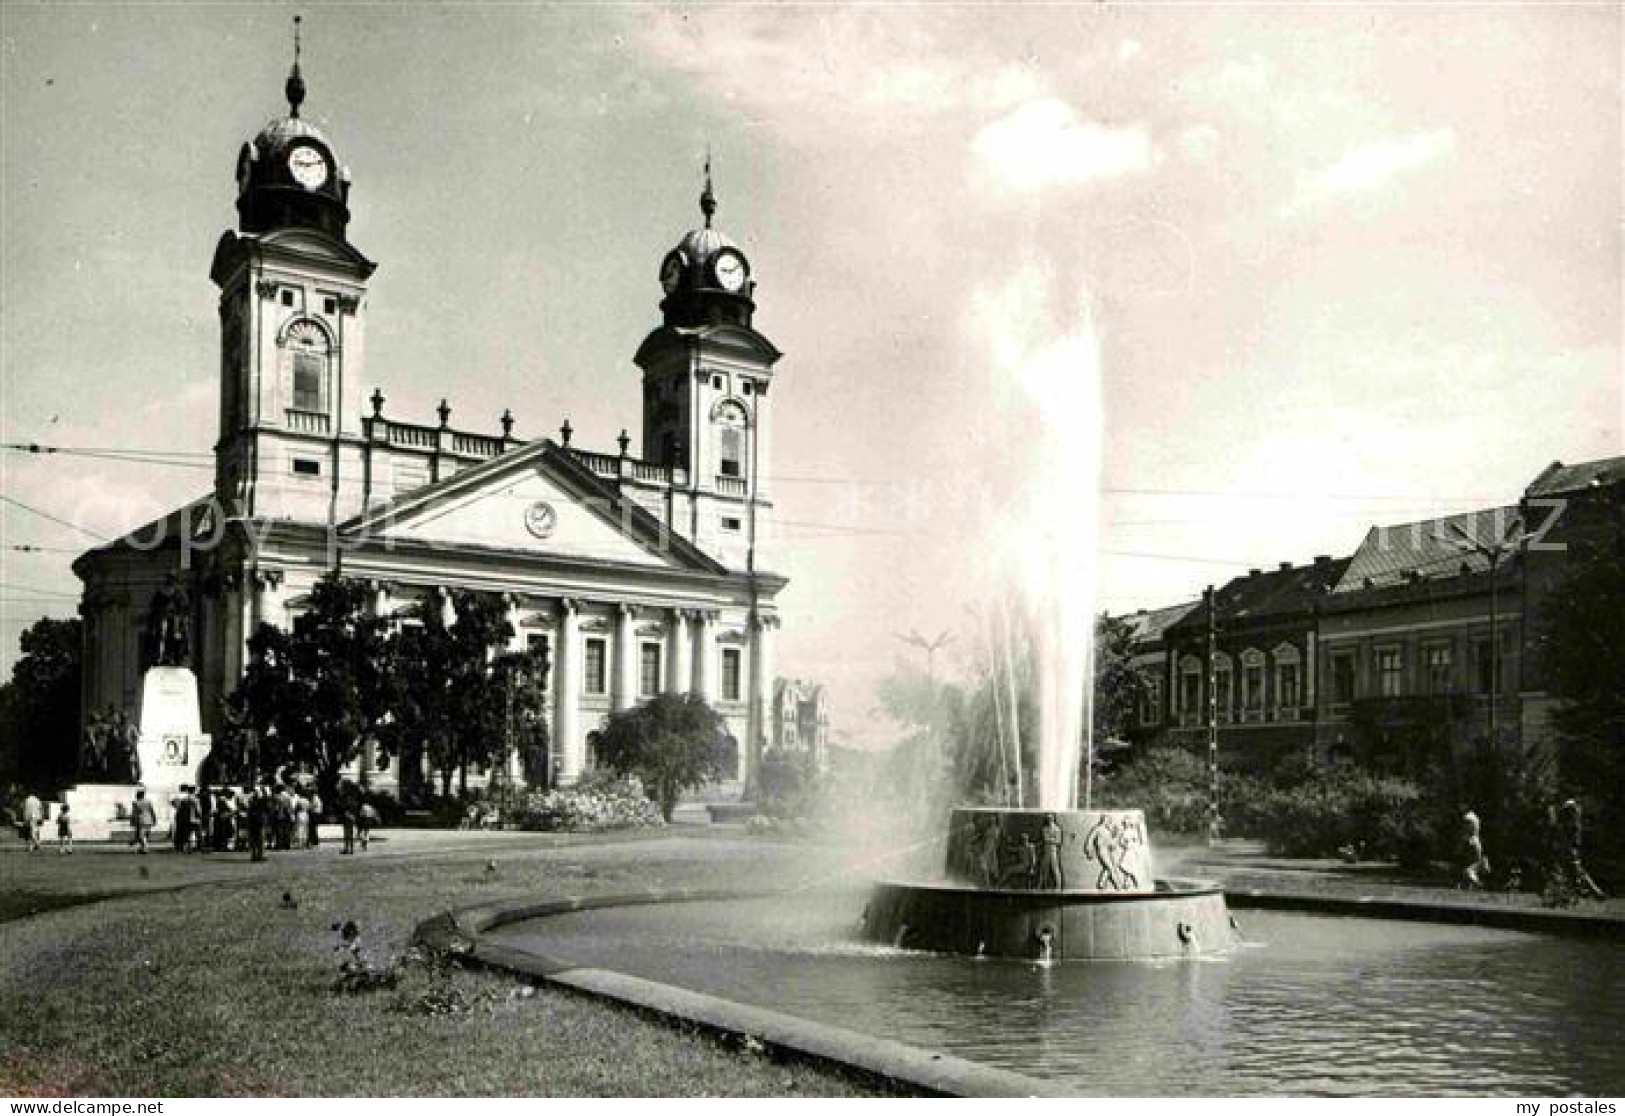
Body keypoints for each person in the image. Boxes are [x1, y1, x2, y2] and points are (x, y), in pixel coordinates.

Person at [1560, 798, 1606, 900]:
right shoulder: (1574, 822)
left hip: (1571, 848)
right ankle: (1583, 892)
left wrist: (1569, 847)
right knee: (1573, 871)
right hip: (1572, 848)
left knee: (1577, 870)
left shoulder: (1572, 823)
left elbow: (1570, 838)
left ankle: (1596, 892)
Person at [1460, 807, 1487, 890]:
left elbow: (1470, 829)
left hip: (1474, 844)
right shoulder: (1473, 817)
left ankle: (1478, 884)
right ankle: (1471, 885)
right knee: (1467, 872)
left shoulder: (1469, 817)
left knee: (1468, 871)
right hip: (1475, 843)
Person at [130, 788, 156, 854]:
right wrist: (154, 819)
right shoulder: (148, 801)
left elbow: (134, 813)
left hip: (141, 819)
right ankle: (142, 848)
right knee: (146, 835)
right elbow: (152, 811)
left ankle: (145, 848)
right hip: (149, 819)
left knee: (141, 835)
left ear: (138, 795)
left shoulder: (135, 802)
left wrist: (132, 821)